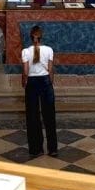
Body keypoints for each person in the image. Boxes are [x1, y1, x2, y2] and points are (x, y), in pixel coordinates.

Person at [21, 24, 58, 157]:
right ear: (41, 37)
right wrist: (50, 83)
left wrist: (23, 83)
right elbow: (51, 69)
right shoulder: (49, 50)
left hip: (31, 82)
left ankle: (36, 149)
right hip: (45, 81)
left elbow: (25, 71)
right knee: (49, 116)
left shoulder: (25, 51)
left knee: (32, 116)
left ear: (31, 37)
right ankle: (52, 149)